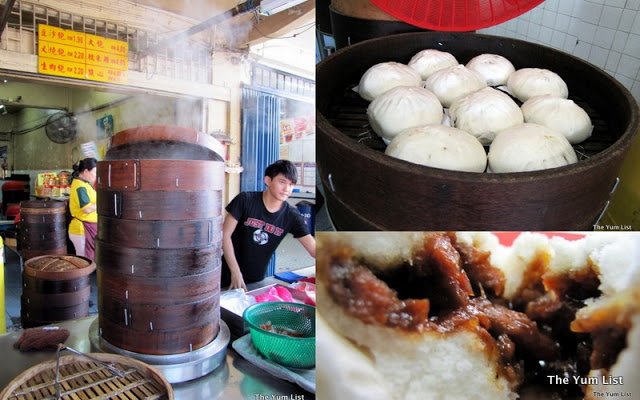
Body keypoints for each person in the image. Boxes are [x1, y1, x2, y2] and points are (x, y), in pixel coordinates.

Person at [222, 159, 316, 290]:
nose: (287, 189)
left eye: (291, 184)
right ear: (268, 180)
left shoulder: (292, 215)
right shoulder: (245, 200)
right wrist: (235, 271)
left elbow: (314, 249)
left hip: (256, 279)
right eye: (282, 182)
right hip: (225, 273)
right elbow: (225, 235)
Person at [68, 157, 98, 260]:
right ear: (86, 171)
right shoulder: (80, 186)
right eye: (95, 172)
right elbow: (87, 209)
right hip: (82, 229)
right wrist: (103, 203)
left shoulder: (85, 184)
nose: (96, 176)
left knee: (88, 262)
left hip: (88, 228)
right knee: (84, 262)